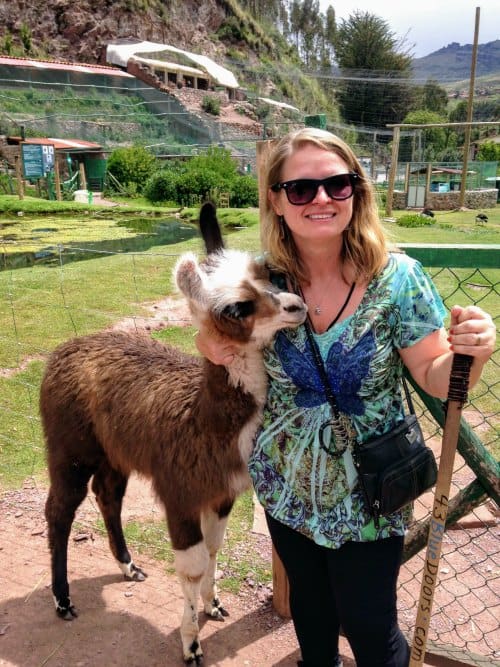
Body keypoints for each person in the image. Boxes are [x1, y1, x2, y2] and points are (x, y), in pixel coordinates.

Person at [196, 128, 496, 667]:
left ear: (357, 193)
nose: (321, 200)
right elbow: (211, 327)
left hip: (371, 495)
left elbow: (434, 371)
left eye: (338, 185)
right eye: (301, 189)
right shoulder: (262, 280)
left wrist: (471, 353)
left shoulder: (397, 280)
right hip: (287, 488)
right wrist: (210, 341)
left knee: (369, 630)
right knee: (312, 625)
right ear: (276, 200)